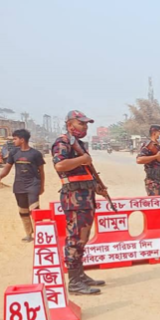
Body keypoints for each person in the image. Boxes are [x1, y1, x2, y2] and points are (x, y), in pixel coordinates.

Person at [52, 110, 106, 295]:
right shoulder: (63, 142)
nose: (85, 128)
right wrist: (83, 159)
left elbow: (83, 173)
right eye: (81, 124)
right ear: (69, 125)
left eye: (86, 125)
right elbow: (60, 165)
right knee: (74, 239)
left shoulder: (79, 144)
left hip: (85, 196)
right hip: (74, 198)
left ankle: (80, 275)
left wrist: (97, 187)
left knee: (82, 239)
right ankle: (74, 282)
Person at [0, 129, 45, 242]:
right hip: (19, 186)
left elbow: (41, 171)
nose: (13, 141)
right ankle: (28, 234)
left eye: (15, 139)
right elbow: (8, 167)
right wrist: (1, 176)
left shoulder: (36, 154)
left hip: (33, 185)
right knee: (23, 212)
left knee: (35, 210)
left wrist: (42, 186)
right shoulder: (13, 153)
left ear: (22, 140)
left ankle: (40, 234)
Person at [136, 125, 160, 207]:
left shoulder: (157, 147)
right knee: (156, 208)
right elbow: (139, 160)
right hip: (154, 183)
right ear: (154, 133)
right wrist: (155, 157)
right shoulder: (148, 145)